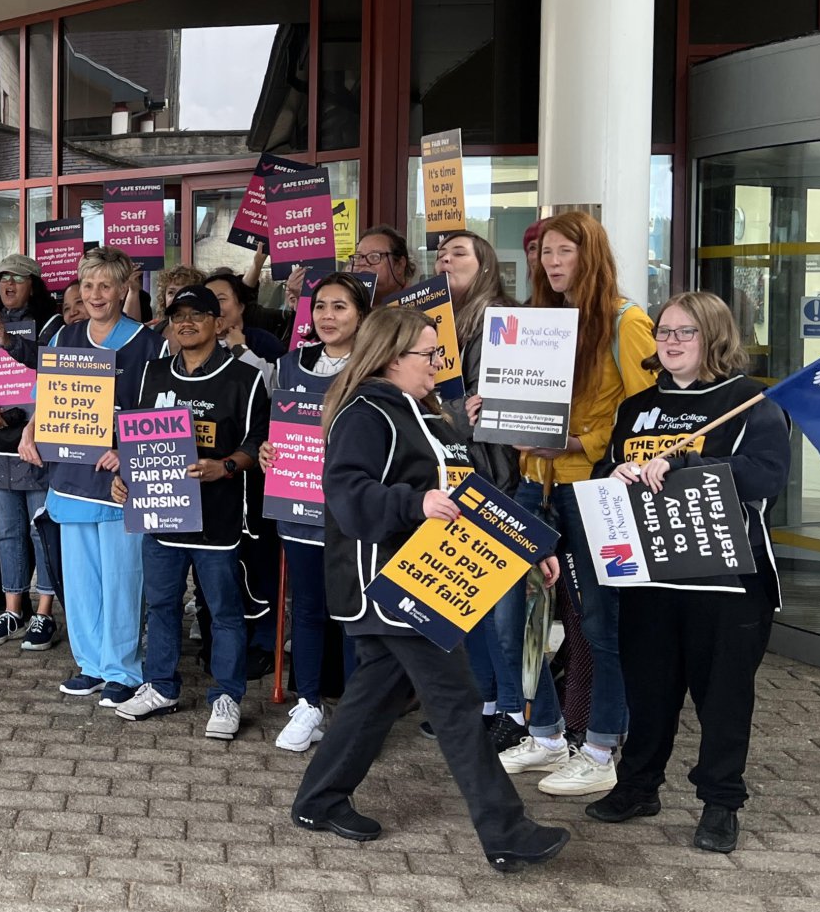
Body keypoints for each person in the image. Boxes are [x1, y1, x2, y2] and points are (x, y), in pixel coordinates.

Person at [291, 306, 571, 872]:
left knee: (375, 697)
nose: (439, 363)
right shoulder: (366, 413)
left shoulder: (431, 416)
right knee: (459, 704)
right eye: (429, 353)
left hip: (426, 584)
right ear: (393, 357)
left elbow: (472, 497)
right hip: (391, 587)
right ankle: (506, 832)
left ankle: (318, 801)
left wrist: (528, 546)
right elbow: (347, 494)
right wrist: (413, 502)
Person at [592, 291, 789, 854]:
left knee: (722, 698)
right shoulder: (637, 407)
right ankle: (638, 786)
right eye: (664, 332)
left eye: (685, 332)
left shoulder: (752, 402)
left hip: (727, 579)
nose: (670, 342)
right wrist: (616, 472)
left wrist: (686, 463)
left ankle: (721, 802)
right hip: (651, 576)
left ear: (714, 337)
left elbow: (766, 476)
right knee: (648, 691)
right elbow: (608, 467)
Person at [494, 210, 660, 797]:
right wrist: (488, 410)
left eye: (566, 251)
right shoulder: (536, 320)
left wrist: (577, 442)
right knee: (516, 618)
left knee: (600, 624)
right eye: (546, 252)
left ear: (591, 256)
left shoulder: (626, 321)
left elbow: (648, 416)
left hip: (592, 490)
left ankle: (601, 749)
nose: (553, 262)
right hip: (532, 485)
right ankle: (545, 736)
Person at [112, 286, 270, 741]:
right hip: (161, 513)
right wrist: (122, 475)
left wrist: (226, 466)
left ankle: (227, 695)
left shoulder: (245, 378)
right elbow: (133, 435)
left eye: (197, 314)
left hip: (217, 517)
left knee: (224, 611)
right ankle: (161, 685)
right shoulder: (152, 372)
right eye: (178, 315)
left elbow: (257, 443)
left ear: (217, 323)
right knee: (161, 606)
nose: (186, 322)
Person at [23, 247, 166, 704]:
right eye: (88, 285)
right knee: (81, 581)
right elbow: (47, 399)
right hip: (70, 477)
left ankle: (122, 669)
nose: (96, 294)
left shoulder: (150, 344)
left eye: (106, 285)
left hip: (119, 482)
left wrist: (127, 450)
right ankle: (90, 664)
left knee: (122, 579)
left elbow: (163, 412)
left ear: (124, 289)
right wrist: (29, 430)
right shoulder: (64, 337)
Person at [257, 271, 371, 751]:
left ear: (361, 315)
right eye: (321, 306)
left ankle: (357, 717)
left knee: (353, 615)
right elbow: (274, 426)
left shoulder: (375, 367)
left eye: (340, 306)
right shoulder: (290, 364)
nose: (327, 315)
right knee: (306, 608)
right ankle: (309, 704)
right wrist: (267, 450)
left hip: (352, 513)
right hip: (300, 506)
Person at [434, 228, 525, 747]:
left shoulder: (506, 320)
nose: (445, 259)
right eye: (440, 254)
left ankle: (513, 711)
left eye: (458, 252)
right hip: (455, 475)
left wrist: (456, 416)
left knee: (501, 610)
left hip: (499, 478)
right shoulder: (438, 323)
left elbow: (506, 408)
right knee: (466, 600)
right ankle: (485, 701)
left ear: (485, 263)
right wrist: (452, 415)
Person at [0, 256, 60, 650]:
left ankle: (45, 612)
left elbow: (53, 369)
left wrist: (11, 343)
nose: (9, 285)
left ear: (34, 285)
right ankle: (13, 608)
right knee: (8, 532)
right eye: (3, 279)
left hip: (35, 445)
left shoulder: (52, 326)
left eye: (18, 279)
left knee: (41, 531)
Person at [206, 271, 283, 370]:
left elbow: (279, 378)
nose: (213, 307)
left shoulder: (263, 341)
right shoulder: (197, 342)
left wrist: (240, 349)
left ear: (241, 307)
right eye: (207, 300)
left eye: (221, 299)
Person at [351, 224, 416, 302]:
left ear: (399, 265)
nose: (363, 263)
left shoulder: (420, 306)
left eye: (374, 257)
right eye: (359, 257)